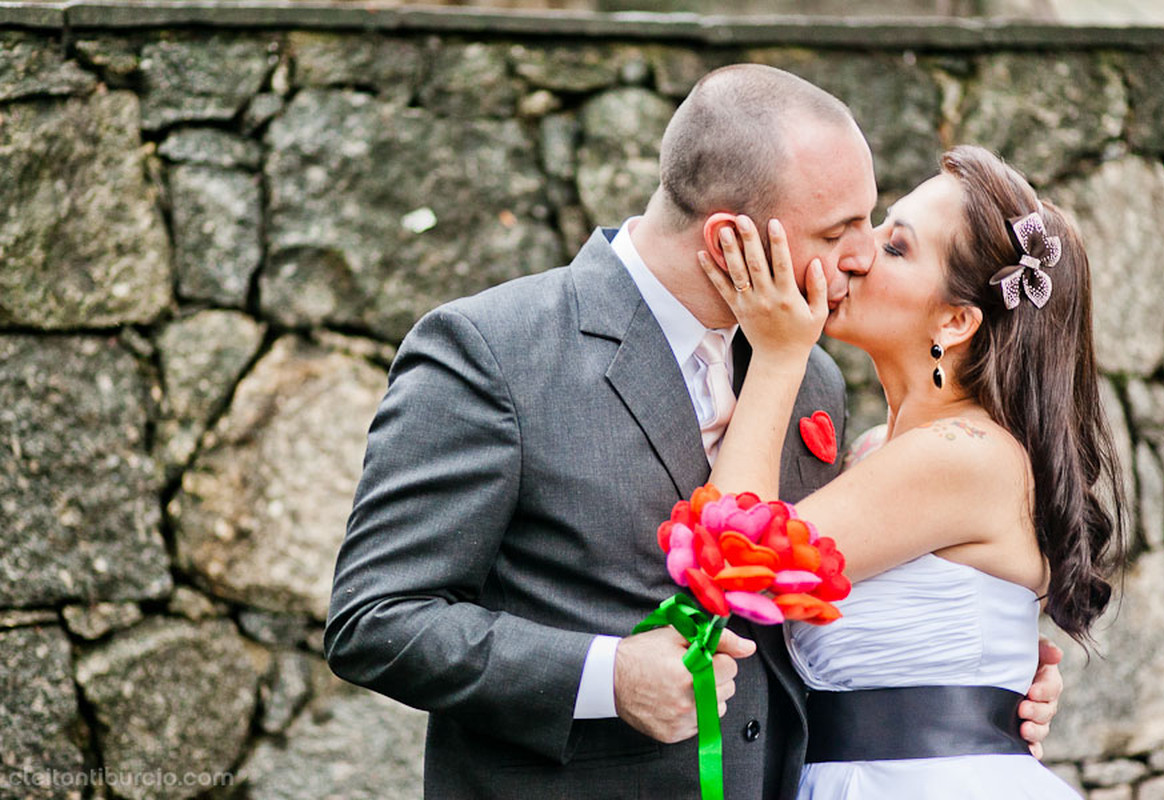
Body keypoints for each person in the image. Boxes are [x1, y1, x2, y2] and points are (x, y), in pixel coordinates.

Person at [323, 64, 1061, 799]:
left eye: (874, 226)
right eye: (839, 231)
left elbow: (804, 596)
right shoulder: (494, 350)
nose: (862, 254)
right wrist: (604, 678)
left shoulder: (810, 378)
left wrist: (978, 693)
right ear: (728, 236)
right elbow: (377, 620)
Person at [699, 143, 1123, 798]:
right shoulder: (877, 447)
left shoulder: (961, 454)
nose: (859, 253)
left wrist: (782, 353)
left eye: (895, 247)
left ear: (956, 321)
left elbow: (731, 564)